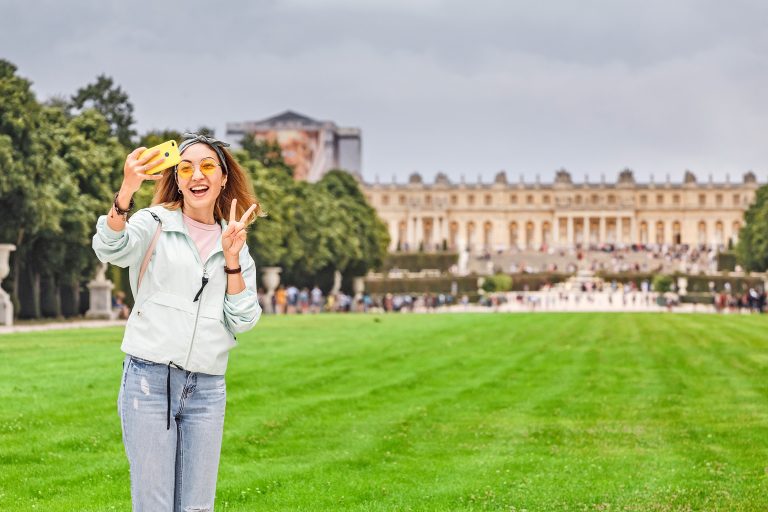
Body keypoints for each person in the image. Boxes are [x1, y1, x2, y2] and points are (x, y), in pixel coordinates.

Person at [92, 133, 263, 511]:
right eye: (185, 168)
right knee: (154, 505)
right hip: (148, 383)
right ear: (176, 178)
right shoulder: (153, 222)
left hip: (206, 389)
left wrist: (232, 258)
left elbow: (244, 319)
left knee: (197, 507)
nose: (196, 175)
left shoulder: (234, 240)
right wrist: (127, 190)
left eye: (206, 166)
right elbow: (109, 247)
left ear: (222, 178)